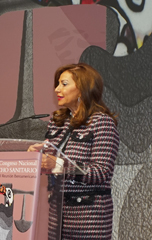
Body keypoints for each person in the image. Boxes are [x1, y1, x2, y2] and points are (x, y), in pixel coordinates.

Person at [28, 63, 119, 240]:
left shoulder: (102, 123)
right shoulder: (57, 123)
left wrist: (59, 164)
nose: (56, 89)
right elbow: (52, 167)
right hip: (57, 220)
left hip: (89, 221)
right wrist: (37, 159)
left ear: (82, 88)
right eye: (57, 84)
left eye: (64, 84)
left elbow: (101, 172)